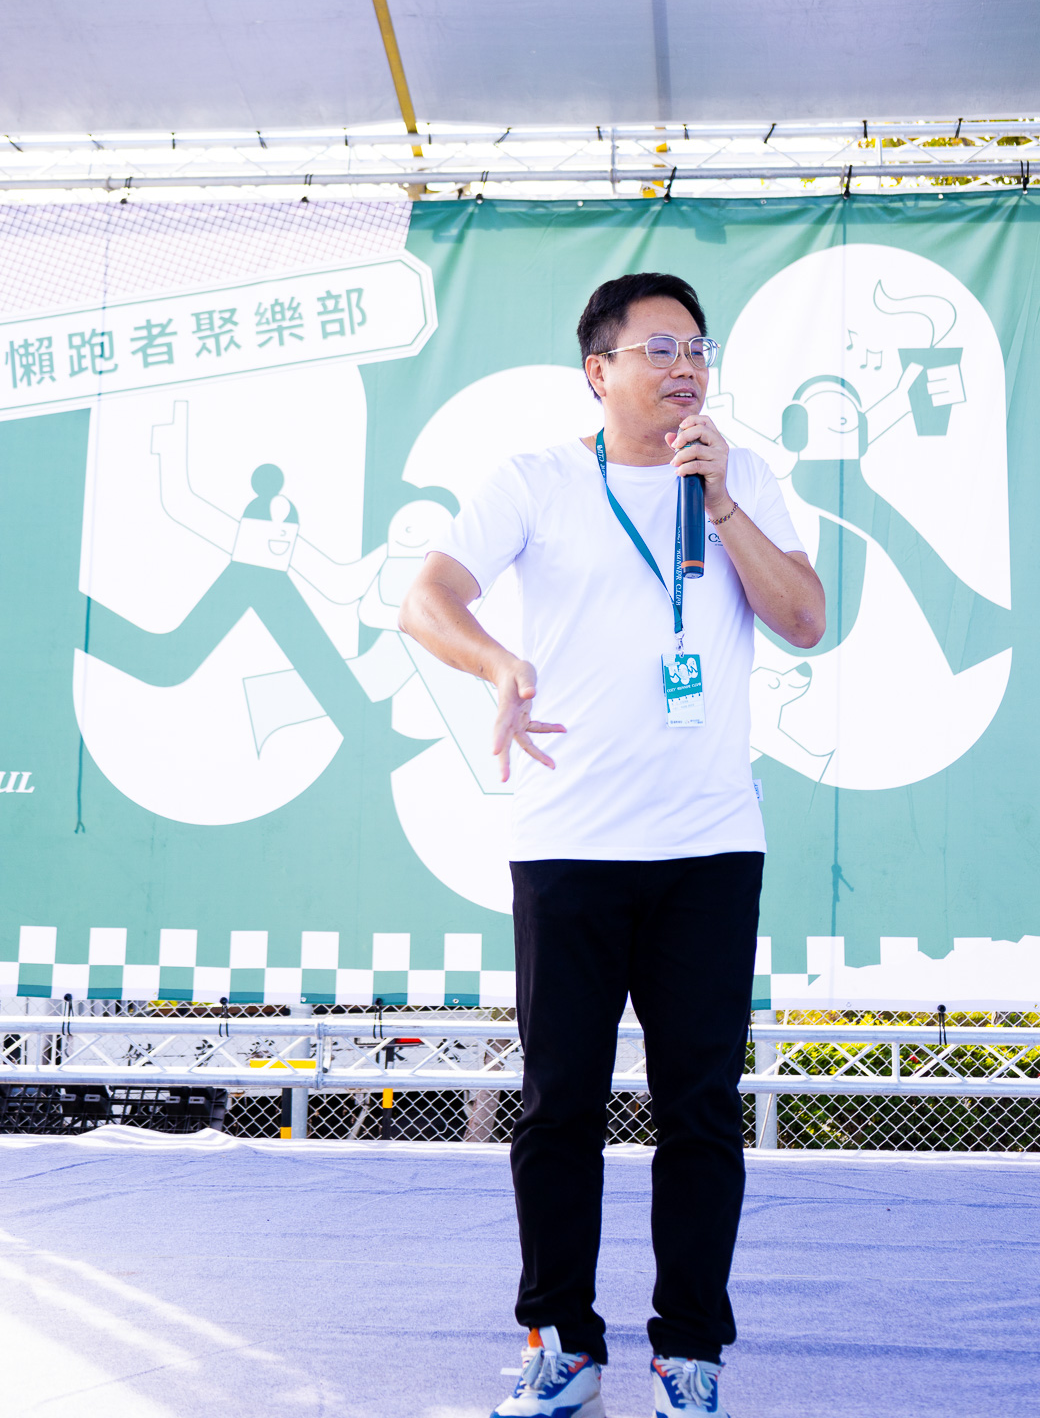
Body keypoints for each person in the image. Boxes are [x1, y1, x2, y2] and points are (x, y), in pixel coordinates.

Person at [400, 272, 825, 1418]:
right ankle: (563, 1348)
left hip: (709, 847)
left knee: (701, 1111)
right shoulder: (535, 480)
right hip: (570, 843)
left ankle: (690, 1354)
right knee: (559, 1109)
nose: (687, 368)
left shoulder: (741, 478)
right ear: (599, 371)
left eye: (699, 349)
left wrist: (723, 504)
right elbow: (425, 599)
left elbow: (805, 618)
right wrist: (498, 662)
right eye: (660, 350)